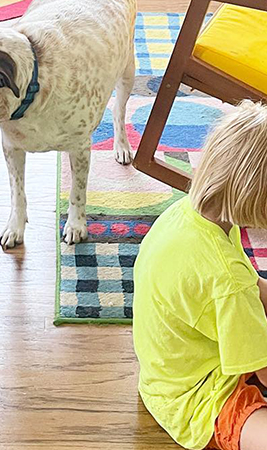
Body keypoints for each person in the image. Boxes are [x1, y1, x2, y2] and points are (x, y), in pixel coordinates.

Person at [133, 100, 267, 450]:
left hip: (163, 378)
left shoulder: (186, 216)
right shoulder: (226, 280)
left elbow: (254, 287)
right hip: (199, 401)